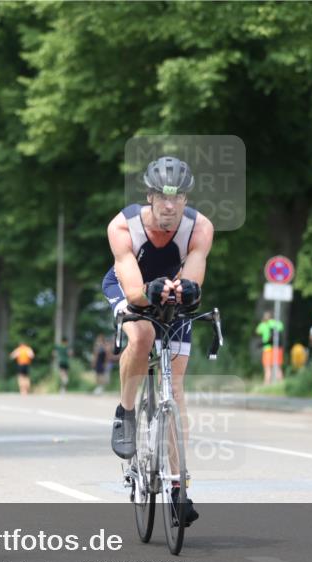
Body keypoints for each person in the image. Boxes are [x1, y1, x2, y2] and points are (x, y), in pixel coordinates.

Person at [102, 155, 213, 527]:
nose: (170, 205)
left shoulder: (200, 228)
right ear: (150, 196)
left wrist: (186, 291)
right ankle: (127, 412)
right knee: (144, 332)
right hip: (130, 286)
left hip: (168, 293)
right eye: (163, 197)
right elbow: (134, 291)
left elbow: (192, 285)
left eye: (178, 197)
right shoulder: (123, 226)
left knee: (175, 390)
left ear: (185, 199)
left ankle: (179, 488)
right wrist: (149, 293)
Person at [256, 311, 284, 384]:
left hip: (267, 348)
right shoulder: (276, 323)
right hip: (277, 347)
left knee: (267, 367)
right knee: (277, 366)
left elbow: (258, 331)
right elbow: (281, 328)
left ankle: (267, 383)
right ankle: (280, 383)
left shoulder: (263, 324)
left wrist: (263, 322)